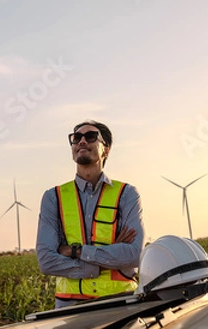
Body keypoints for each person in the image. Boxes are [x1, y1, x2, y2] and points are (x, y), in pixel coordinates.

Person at [36, 120, 145, 309]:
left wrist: (75, 251)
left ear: (106, 149)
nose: (82, 141)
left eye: (91, 136)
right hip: (69, 308)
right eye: (76, 137)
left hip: (120, 304)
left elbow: (134, 254)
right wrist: (107, 258)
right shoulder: (53, 197)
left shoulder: (126, 194)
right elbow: (47, 261)